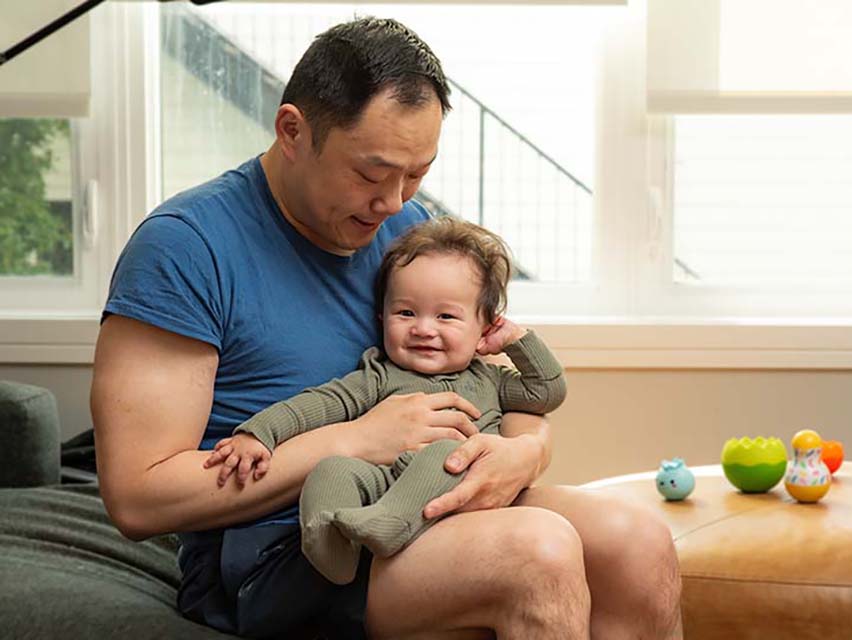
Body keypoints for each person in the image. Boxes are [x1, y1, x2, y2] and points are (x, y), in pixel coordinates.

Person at [91, 15, 681, 640]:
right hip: (282, 548)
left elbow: (484, 377)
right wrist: (355, 439)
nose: (395, 201)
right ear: (292, 131)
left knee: (638, 543)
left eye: (417, 173)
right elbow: (138, 495)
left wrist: (524, 452)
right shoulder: (185, 248)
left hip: (417, 494)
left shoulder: (402, 231)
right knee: (538, 551)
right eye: (371, 174)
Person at [203, 217, 567, 587]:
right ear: (382, 318)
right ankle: (329, 546)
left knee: (449, 452)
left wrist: (516, 340)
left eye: (445, 316)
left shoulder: (489, 380)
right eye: (406, 313)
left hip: (456, 498)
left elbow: (546, 391)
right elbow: (319, 404)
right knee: (331, 470)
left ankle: (390, 524)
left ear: (485, 329)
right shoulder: (378, 375)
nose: (423, 328)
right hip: (384, 484)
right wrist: (259, 432)